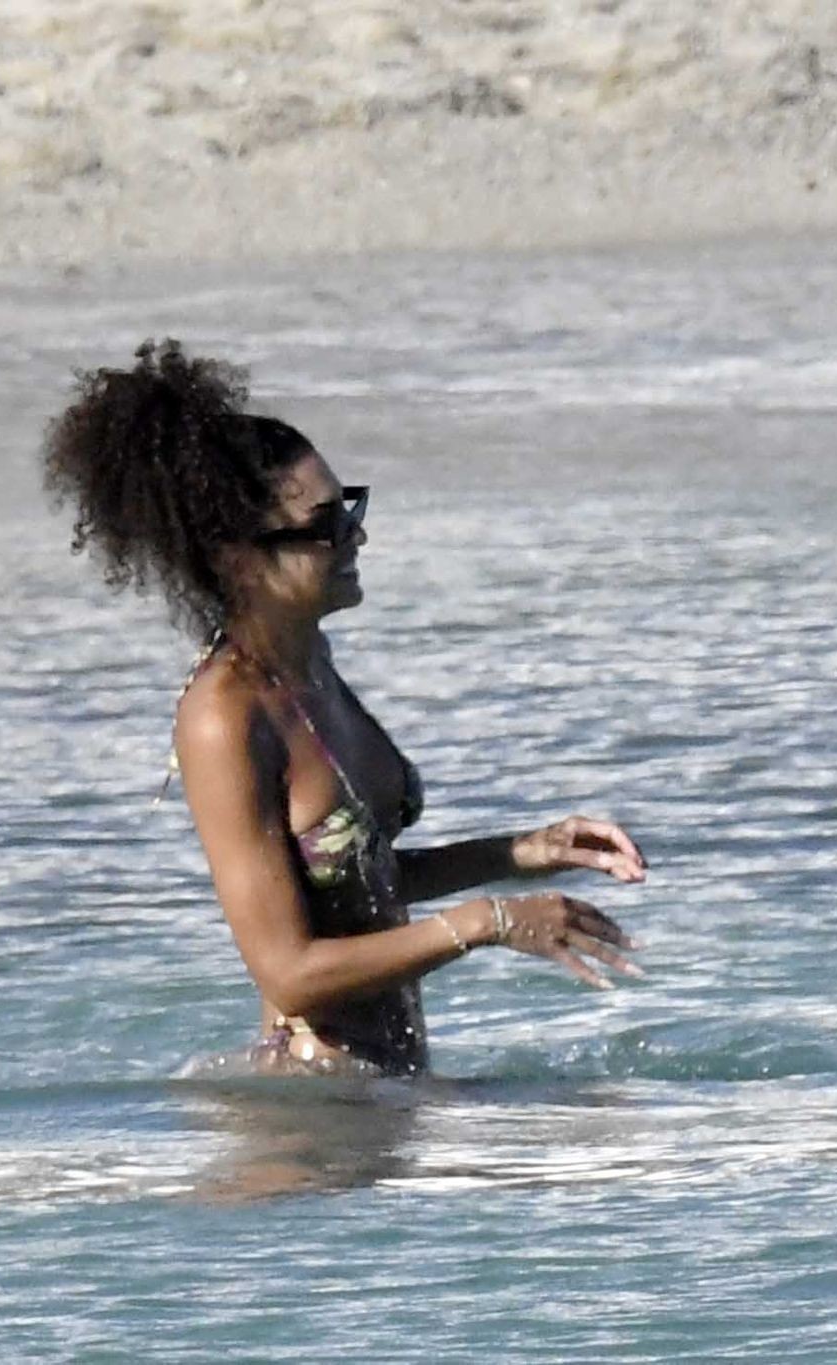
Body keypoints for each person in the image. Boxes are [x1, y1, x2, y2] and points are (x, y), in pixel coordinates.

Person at [44, 340, 647, 1076]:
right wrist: (489, 922)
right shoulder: (225, 717)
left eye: (350, 507)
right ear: (236, 557)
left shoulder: (311, 665)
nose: (356, 535)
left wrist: (522, 852)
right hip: (312, 1107)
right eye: (326, 524)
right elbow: (288, 971)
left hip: (377, 1095)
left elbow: (357, 883)